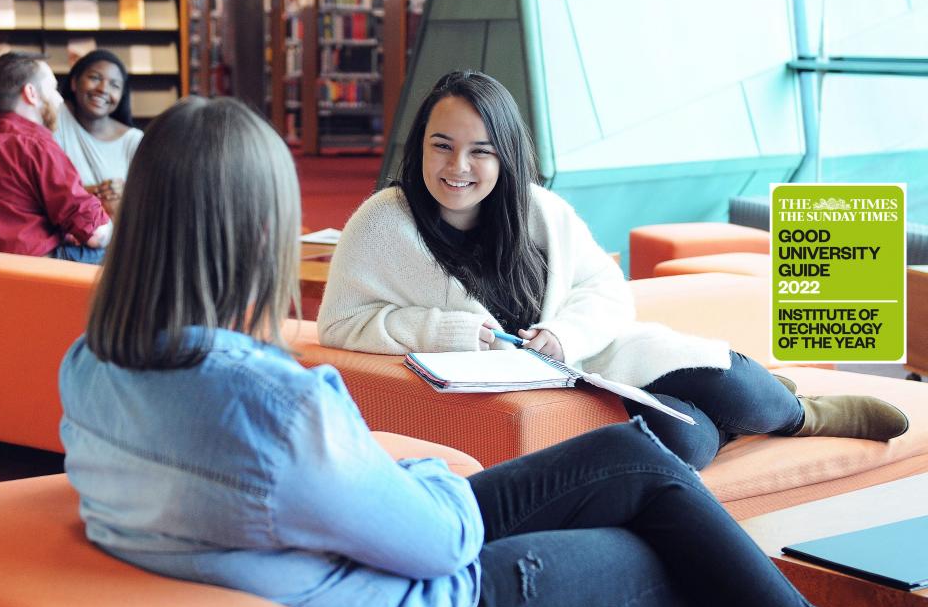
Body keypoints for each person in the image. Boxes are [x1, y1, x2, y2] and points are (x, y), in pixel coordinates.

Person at [59, 96, 829, 607]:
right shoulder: (276, 406)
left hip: (331, 543)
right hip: (427, 595)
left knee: (635, 458)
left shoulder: (91, 363)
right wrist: (426, 472)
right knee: (664, 552)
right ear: (260, 239)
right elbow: (441, 542)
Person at [317, 70, 908, 469]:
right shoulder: (385, 223)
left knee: (720, 376)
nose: (457, 167)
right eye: (441, 145)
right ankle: (756, 411)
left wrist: (564, 334)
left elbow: (605, 291)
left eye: (480, 151)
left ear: (507, 155)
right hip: (541, 385)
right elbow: (341, 323)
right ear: (418, 144)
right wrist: (444, 331)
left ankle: (802, 415)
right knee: (689, 440)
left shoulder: (538, 210)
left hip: (592, 357)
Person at [0, 51, 111, 264]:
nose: (59, 99)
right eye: (53, 89)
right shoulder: (35, 144)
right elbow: (95, 234)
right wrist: (115, 227)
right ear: (31, 93)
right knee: (125, 251)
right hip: (39, 270)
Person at [55, 49, 143, 217]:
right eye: (95, 78)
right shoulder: (57, 116)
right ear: (74, 82)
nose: (103, 89)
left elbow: (147, 200)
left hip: (115, 239)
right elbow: (45, 189)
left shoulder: (133, 140)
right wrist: (98, 191)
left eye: (114, 85)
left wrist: (124, 193)